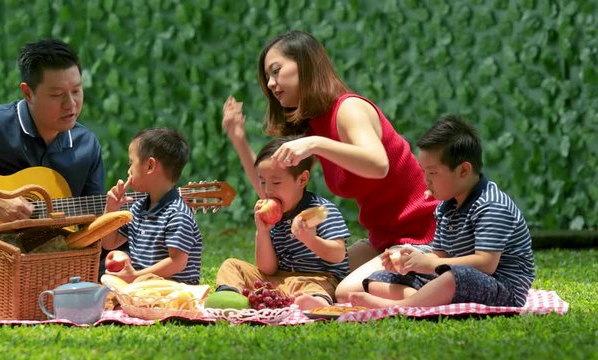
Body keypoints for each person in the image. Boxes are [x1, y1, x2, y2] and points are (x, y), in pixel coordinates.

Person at [222, 30, 438, 303]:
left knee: (346, 291)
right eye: (267, 77)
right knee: (329, 275)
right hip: (384, 240)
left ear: (306, 64)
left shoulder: (349, 109)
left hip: (424, 234)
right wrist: (240, 141)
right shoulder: (315, 124)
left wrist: (315, 144)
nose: (271, 84)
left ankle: (436, 290)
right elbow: (274, 190)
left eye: (276, 71)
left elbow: (378, 164)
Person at [349, 115, 535, 308]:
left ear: (463, 171)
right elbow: (440, 255)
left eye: (433, 173)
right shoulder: (446, 206)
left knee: (453, 278)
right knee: (377, 279)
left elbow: (486, 264)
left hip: (501, 286)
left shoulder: (491, 205)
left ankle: (403, 306)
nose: (426, 181)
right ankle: (424, 300)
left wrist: (429, 264)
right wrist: (408, 261)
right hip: (454, 276)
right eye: (423, 172)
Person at [0, 38, 105, 223]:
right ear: (27, 93)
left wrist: (114, 220)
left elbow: (93, 226)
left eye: (76, 90)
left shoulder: (87, 146)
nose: (70, 104)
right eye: (57, 95)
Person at [215, 136, 351, 310]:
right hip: (278, 279)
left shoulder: (321, 211)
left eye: (276, 182)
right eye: (262, 182)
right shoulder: (274, 216)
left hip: (315, 279)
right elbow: (267, 269)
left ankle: (316, 303)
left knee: (311, 287)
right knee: (231, 265)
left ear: (302, 180)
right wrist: (262, 232)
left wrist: (309, 239)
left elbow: (338, 254)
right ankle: (230, 296)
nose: (267, 190)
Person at [101, 128, 202, 285]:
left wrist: (135, 276)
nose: (128, 171)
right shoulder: (137, 209)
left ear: (149, 166)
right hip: (143, 285)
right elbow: (109, 243)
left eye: (131, 163)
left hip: (174, 290)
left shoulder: (177, 214)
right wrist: (111, 210)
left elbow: (177, 262)